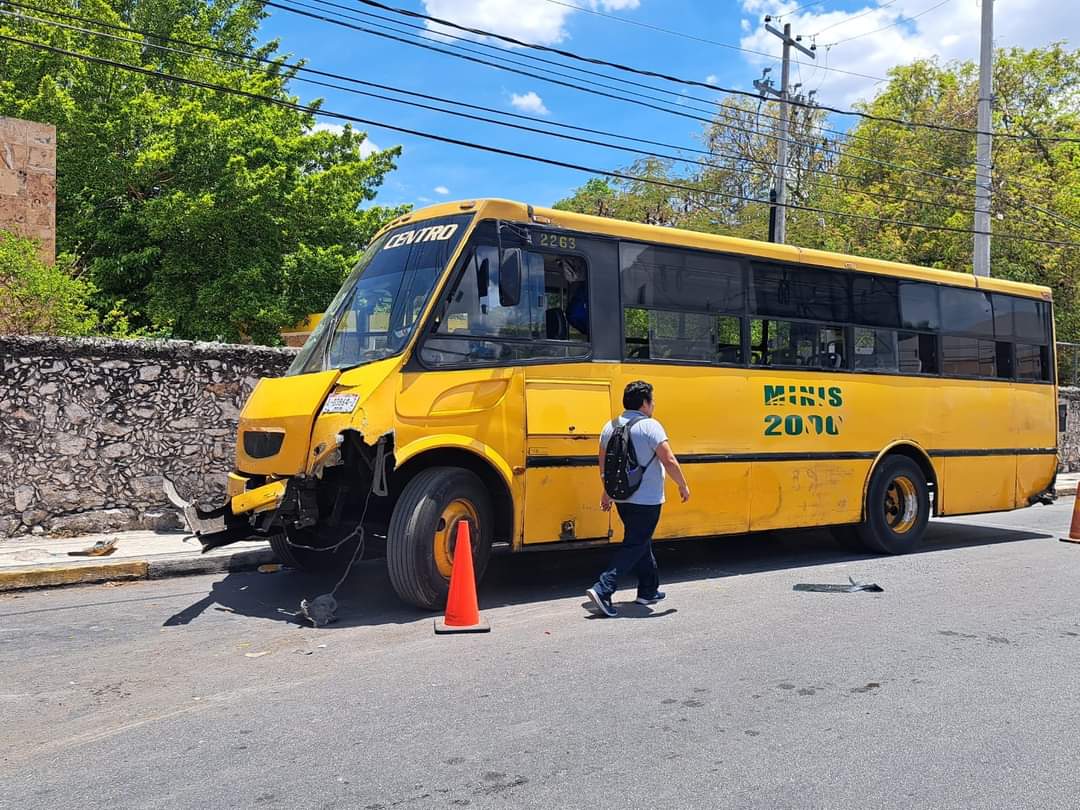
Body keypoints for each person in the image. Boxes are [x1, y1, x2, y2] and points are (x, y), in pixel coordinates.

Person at [586, 380, 690, 617]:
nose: (653, 405)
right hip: (647, 499)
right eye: (652, 400)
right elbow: (669, 459)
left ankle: (648, 590)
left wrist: (607, 491)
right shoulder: (650, 426)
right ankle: (603, 588)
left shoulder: (609, 426)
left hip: (623, 497)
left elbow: (604, 465)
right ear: (644, 403)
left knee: (641, 540)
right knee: (636, 543)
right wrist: (682, 484)